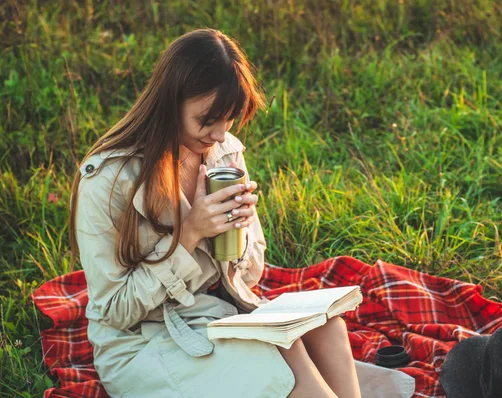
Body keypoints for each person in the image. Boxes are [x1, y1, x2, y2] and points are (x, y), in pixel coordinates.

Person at [69, 28, 361, 398]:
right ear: (170, 102)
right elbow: (115, 311)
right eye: (207, 119)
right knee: (286, 361)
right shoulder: (108, 180)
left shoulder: (224, 155)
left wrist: (236, 236)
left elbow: (250, 276)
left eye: (230, 118)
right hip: (145, 340)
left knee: (327, 327)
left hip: (220, 313)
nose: (221, 134)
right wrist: (189, 234)